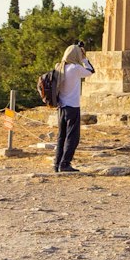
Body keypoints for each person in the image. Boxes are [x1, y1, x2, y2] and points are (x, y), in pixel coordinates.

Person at [53, 41, 94, 174]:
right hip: (72, 107)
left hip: (61, 107)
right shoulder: (75, 69)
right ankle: (65, 163)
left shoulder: (59, 67)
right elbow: (91, 71)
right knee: (72, 137)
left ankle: (57, 163)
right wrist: (84, 58)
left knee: (61, 136)